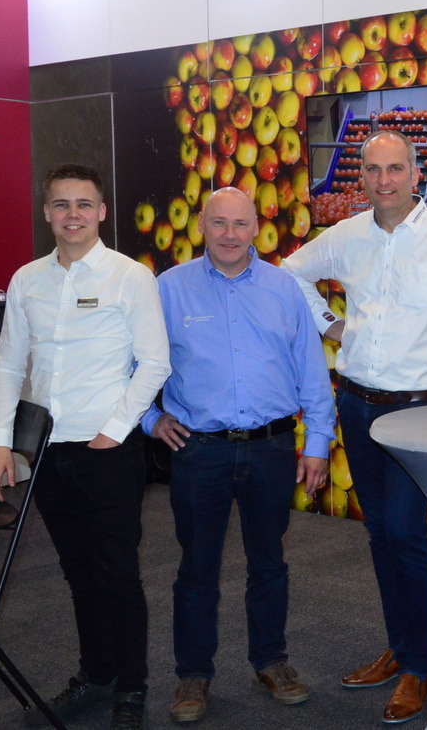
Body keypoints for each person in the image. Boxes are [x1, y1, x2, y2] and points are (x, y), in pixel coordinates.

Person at [283, 130, 427, 725]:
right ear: (361, 175)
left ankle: (418, 667)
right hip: (357, 405)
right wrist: (329, 324)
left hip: (419, 413)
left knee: (405, 534)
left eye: (395, 169)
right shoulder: (348, 235)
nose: (384, 181)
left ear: (416, 173)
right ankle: (400, 648)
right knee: (380, 532)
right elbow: (290, 273)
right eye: (373, 169)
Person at [141, 187, 337, 723]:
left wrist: (317, 443)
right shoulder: (168, 289)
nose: (230, 234)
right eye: (219, 223)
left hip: (272, 448)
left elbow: (311, 370)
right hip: (198, 451)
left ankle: (271, 662)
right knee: (196, 569)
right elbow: (132, 362)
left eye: (241, 223)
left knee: (269, 563)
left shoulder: (284, 288)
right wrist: (150, 419)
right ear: (201, 225)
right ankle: (193, 674)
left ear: (256, 226)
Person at [0, 164, 170, 730]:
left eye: (84, 204)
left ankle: (132, 687)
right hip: (48, 452)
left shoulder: (130, 277)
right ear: (47, 213)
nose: (73, 214)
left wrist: (114, 429)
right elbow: (9, 366)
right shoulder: (26, 280)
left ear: (102, 212)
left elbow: (155, 363)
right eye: (62, 204)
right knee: (77, 571)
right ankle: (97, 673)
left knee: (117, 571)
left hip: (107, 450)